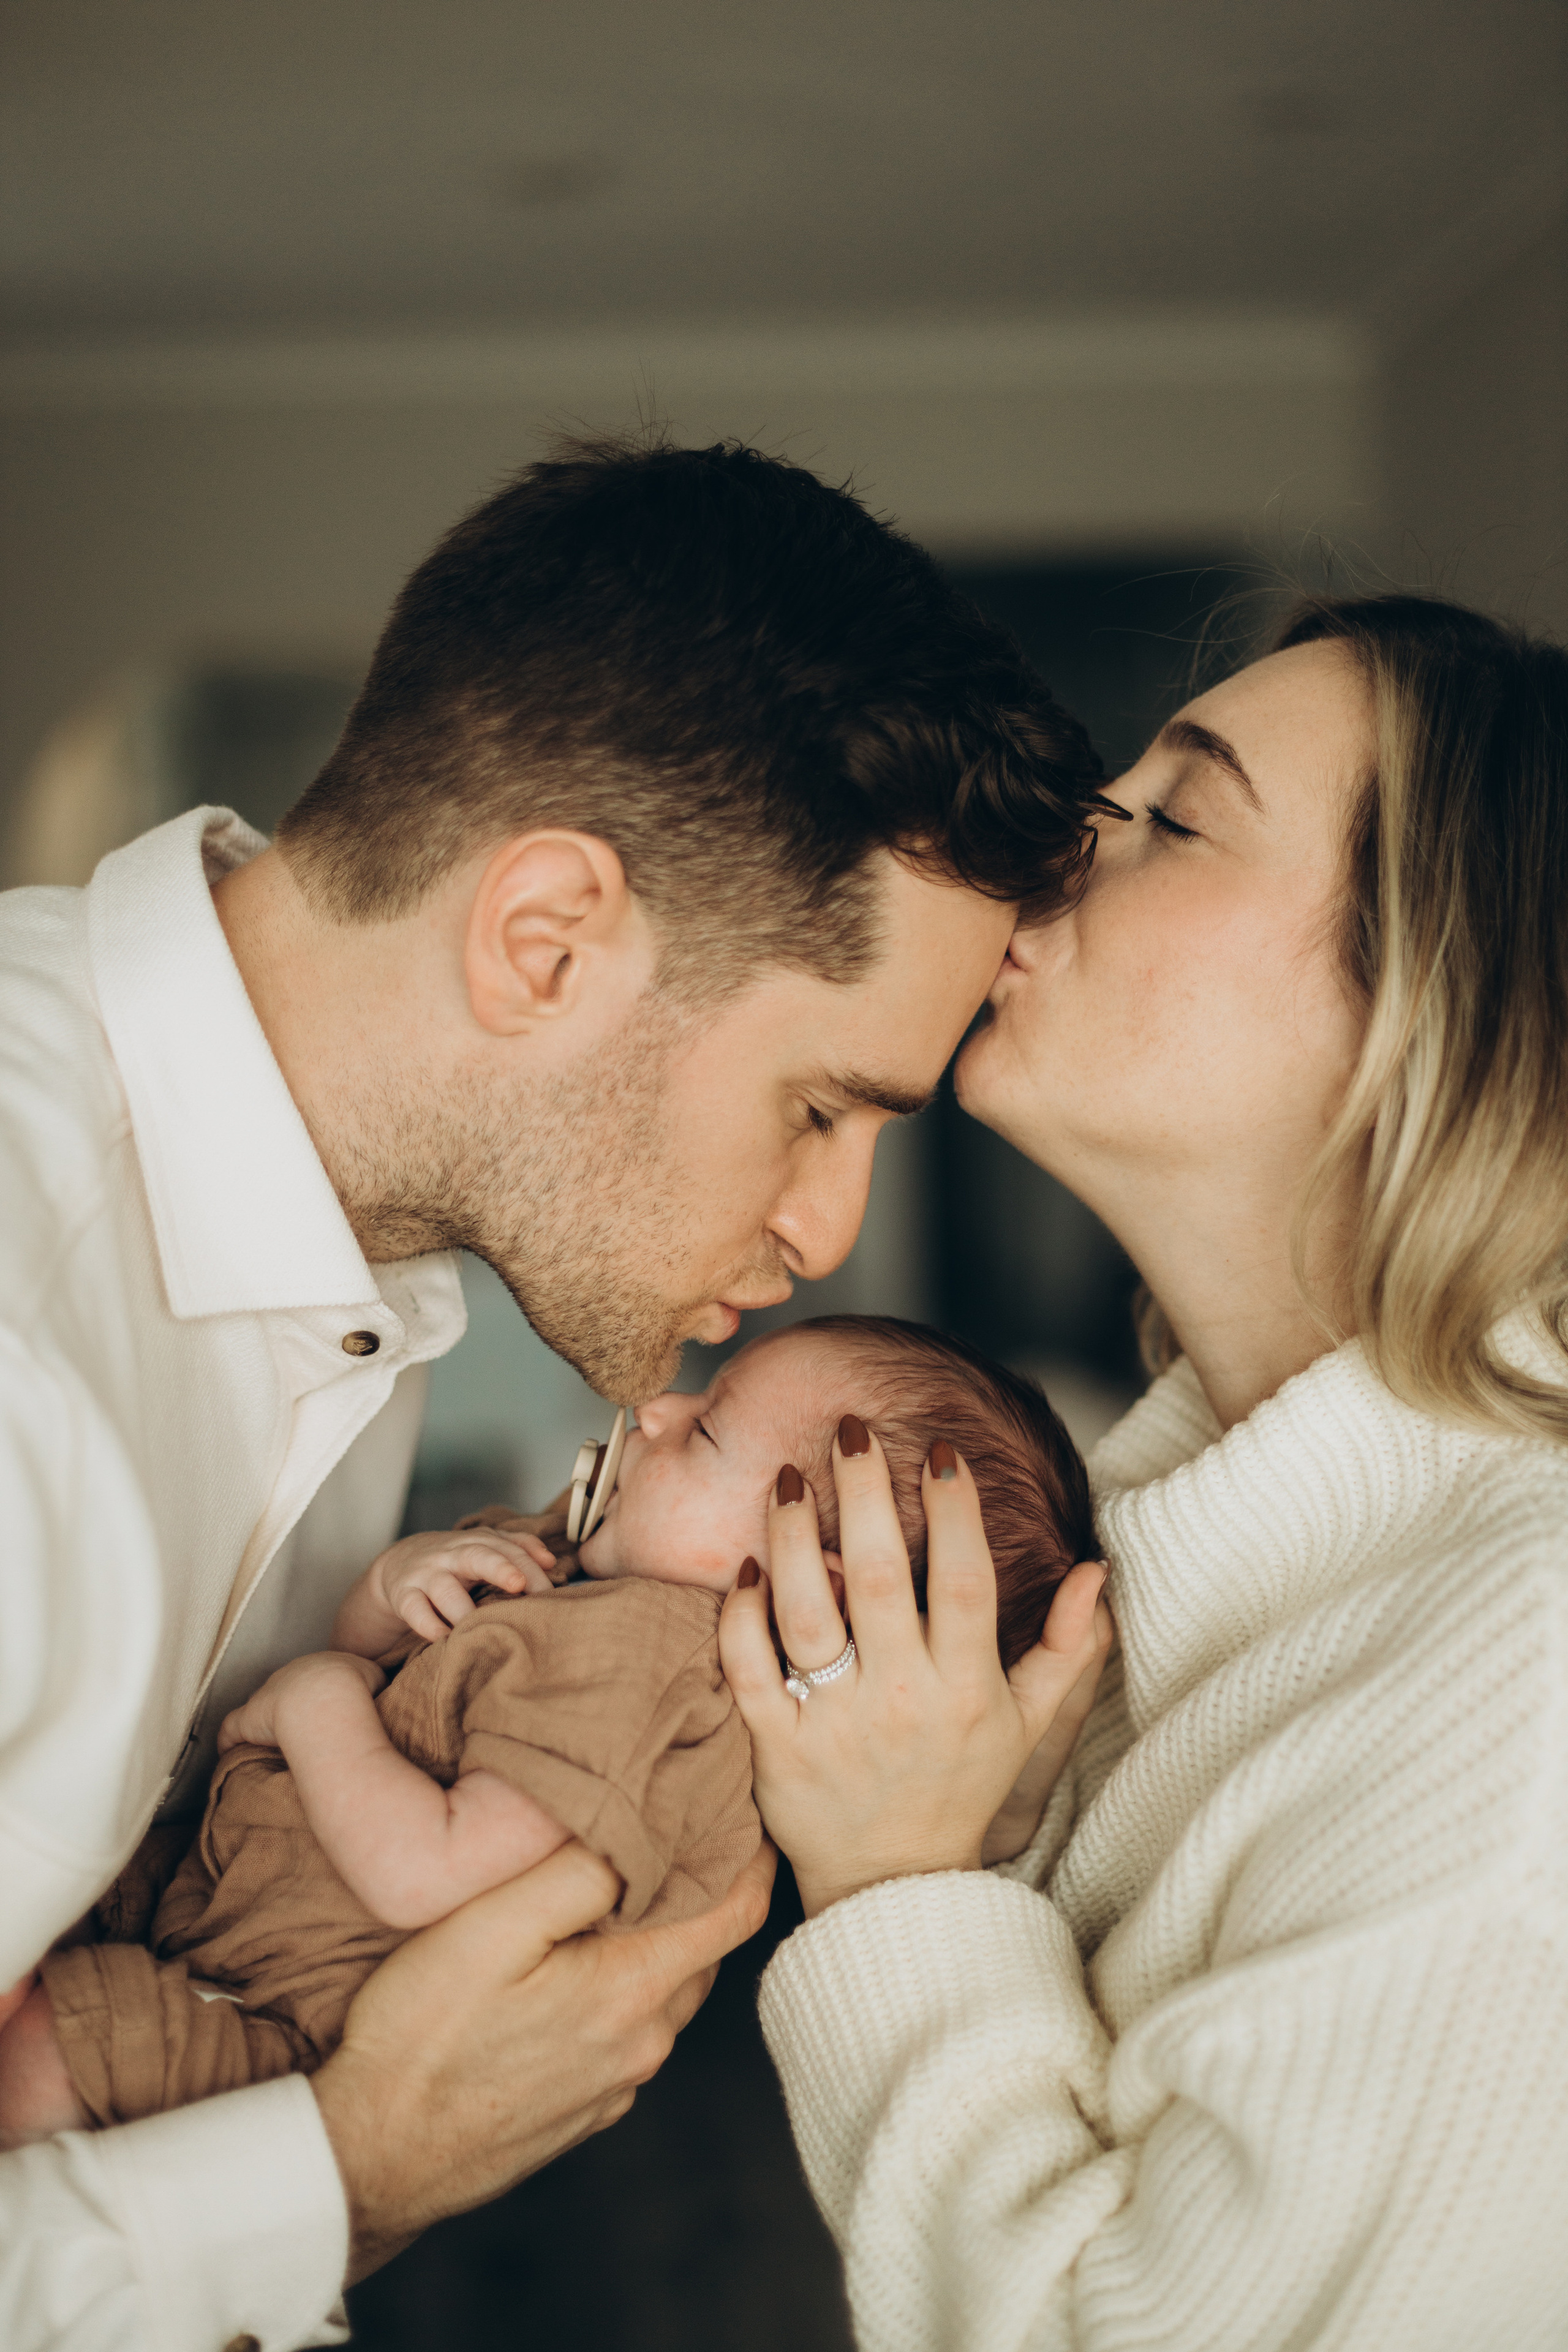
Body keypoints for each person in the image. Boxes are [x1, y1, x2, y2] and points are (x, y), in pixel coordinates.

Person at [0, 433, 1114, 2351]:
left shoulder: (357, 1275)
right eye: (820, 1105)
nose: (830, 1230)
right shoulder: (29, 1347)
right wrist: (349, 2171)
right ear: (547, 942)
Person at [725, 595, 1568, 2351]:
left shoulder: (1525, 1700)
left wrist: (896, 1891)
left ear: (1446, 1005)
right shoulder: (1174, 1585)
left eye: (1175, 818)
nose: (1049, 843)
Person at [1, 1314, 1095, 2144]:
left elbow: (422, 1869)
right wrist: (395, 1588)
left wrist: (314, 1697)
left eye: (709, 1428)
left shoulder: (650, 1670)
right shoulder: (591, 1569)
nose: (658, 1411)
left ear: (818, 1579)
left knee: (42, 2063)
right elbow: (405, 1689)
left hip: (279, 2016)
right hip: (216, 1900)